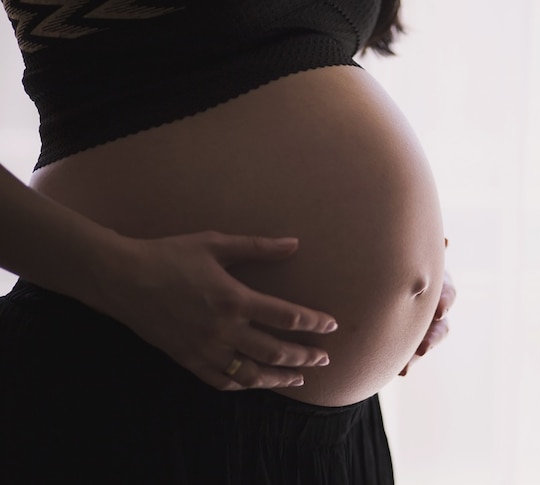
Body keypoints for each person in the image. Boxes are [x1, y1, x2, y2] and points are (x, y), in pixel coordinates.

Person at [0, 0, 456, 483]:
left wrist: (403, 267)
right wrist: (121, 277)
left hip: (336, 434)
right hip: (118, 374)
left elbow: (295, 54)